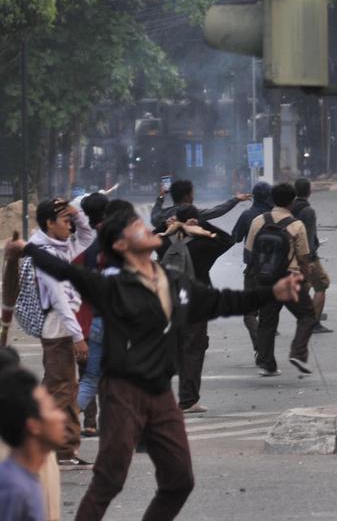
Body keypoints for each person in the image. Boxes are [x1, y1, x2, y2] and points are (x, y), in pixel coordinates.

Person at [6, 210, 302, 521]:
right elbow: (65, 271)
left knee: (179, 481)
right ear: (120, 245)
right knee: (109, 480)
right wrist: (26, 248)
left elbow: (221, 301)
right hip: (123, 392)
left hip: (161, 395)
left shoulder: (174, 282)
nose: (145, 229)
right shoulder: (113, 287)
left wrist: (272, 293)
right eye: (135, 227)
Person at [29, 199, 94, 467]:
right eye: (65, 220)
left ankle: (61, 448)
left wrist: (77, 215)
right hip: (58, 328)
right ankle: (54, 447)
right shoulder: (43, 252)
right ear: (49, 223)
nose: (70, 226)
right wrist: (77, 336)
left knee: (58, 387)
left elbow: (88, 235)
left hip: (62, 327)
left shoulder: (60, 247)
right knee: (63, 389)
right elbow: (58, 299)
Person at [244, 183, 318, 376]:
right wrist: (304, 280)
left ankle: (267, 364)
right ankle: (298, 353)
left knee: (267, 322)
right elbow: (303, 257)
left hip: (265, 279)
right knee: (307, 315)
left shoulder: (259, 221)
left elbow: (249, 252)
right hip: (289, 278)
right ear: (292, 201)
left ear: (272, 199)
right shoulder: (296, 225)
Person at [168, 206, 234, 414]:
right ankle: (188, 400)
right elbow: (227, 239)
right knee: (194, 350)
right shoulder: (204, 244)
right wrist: (203, 225)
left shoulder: (164, 242)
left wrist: (169, 225)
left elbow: (153, 234)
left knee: (176, 348)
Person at [0, 356, 67, 521]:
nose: (61, 416)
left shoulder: (29, 476)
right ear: (33, 425)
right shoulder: (13, 489)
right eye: (52, 409)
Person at [71, 194, 108, 440]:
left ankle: (88, 423)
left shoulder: (75, 245)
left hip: (81, 319)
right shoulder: (106, 242)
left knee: (87, 375)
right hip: (103, 318)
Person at [232, 182, 273, 363]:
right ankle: (265, 351)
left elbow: (235, 237)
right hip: (275, 270)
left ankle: (260, 348)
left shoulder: (247, 215)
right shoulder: (276, 216)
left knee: (249, 313)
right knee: (268, 313)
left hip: (253, 269)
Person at [291, 178, 333, 334]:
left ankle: (269, 320)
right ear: (309, 191)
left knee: (301, 287)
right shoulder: (308, 211)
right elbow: (307, 237)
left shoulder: (290, 208)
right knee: (322, 284)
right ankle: (313, 323)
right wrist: (308, 259)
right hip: (307, 256)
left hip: (291, 255)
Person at [149, 179, 247, 230]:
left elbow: (154, 215)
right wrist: (236, 199)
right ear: (186, 197)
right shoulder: (191, 213)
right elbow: (217, 211)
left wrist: (161, 196)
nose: (193, 197)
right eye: (192, 194)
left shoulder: (163, 215)